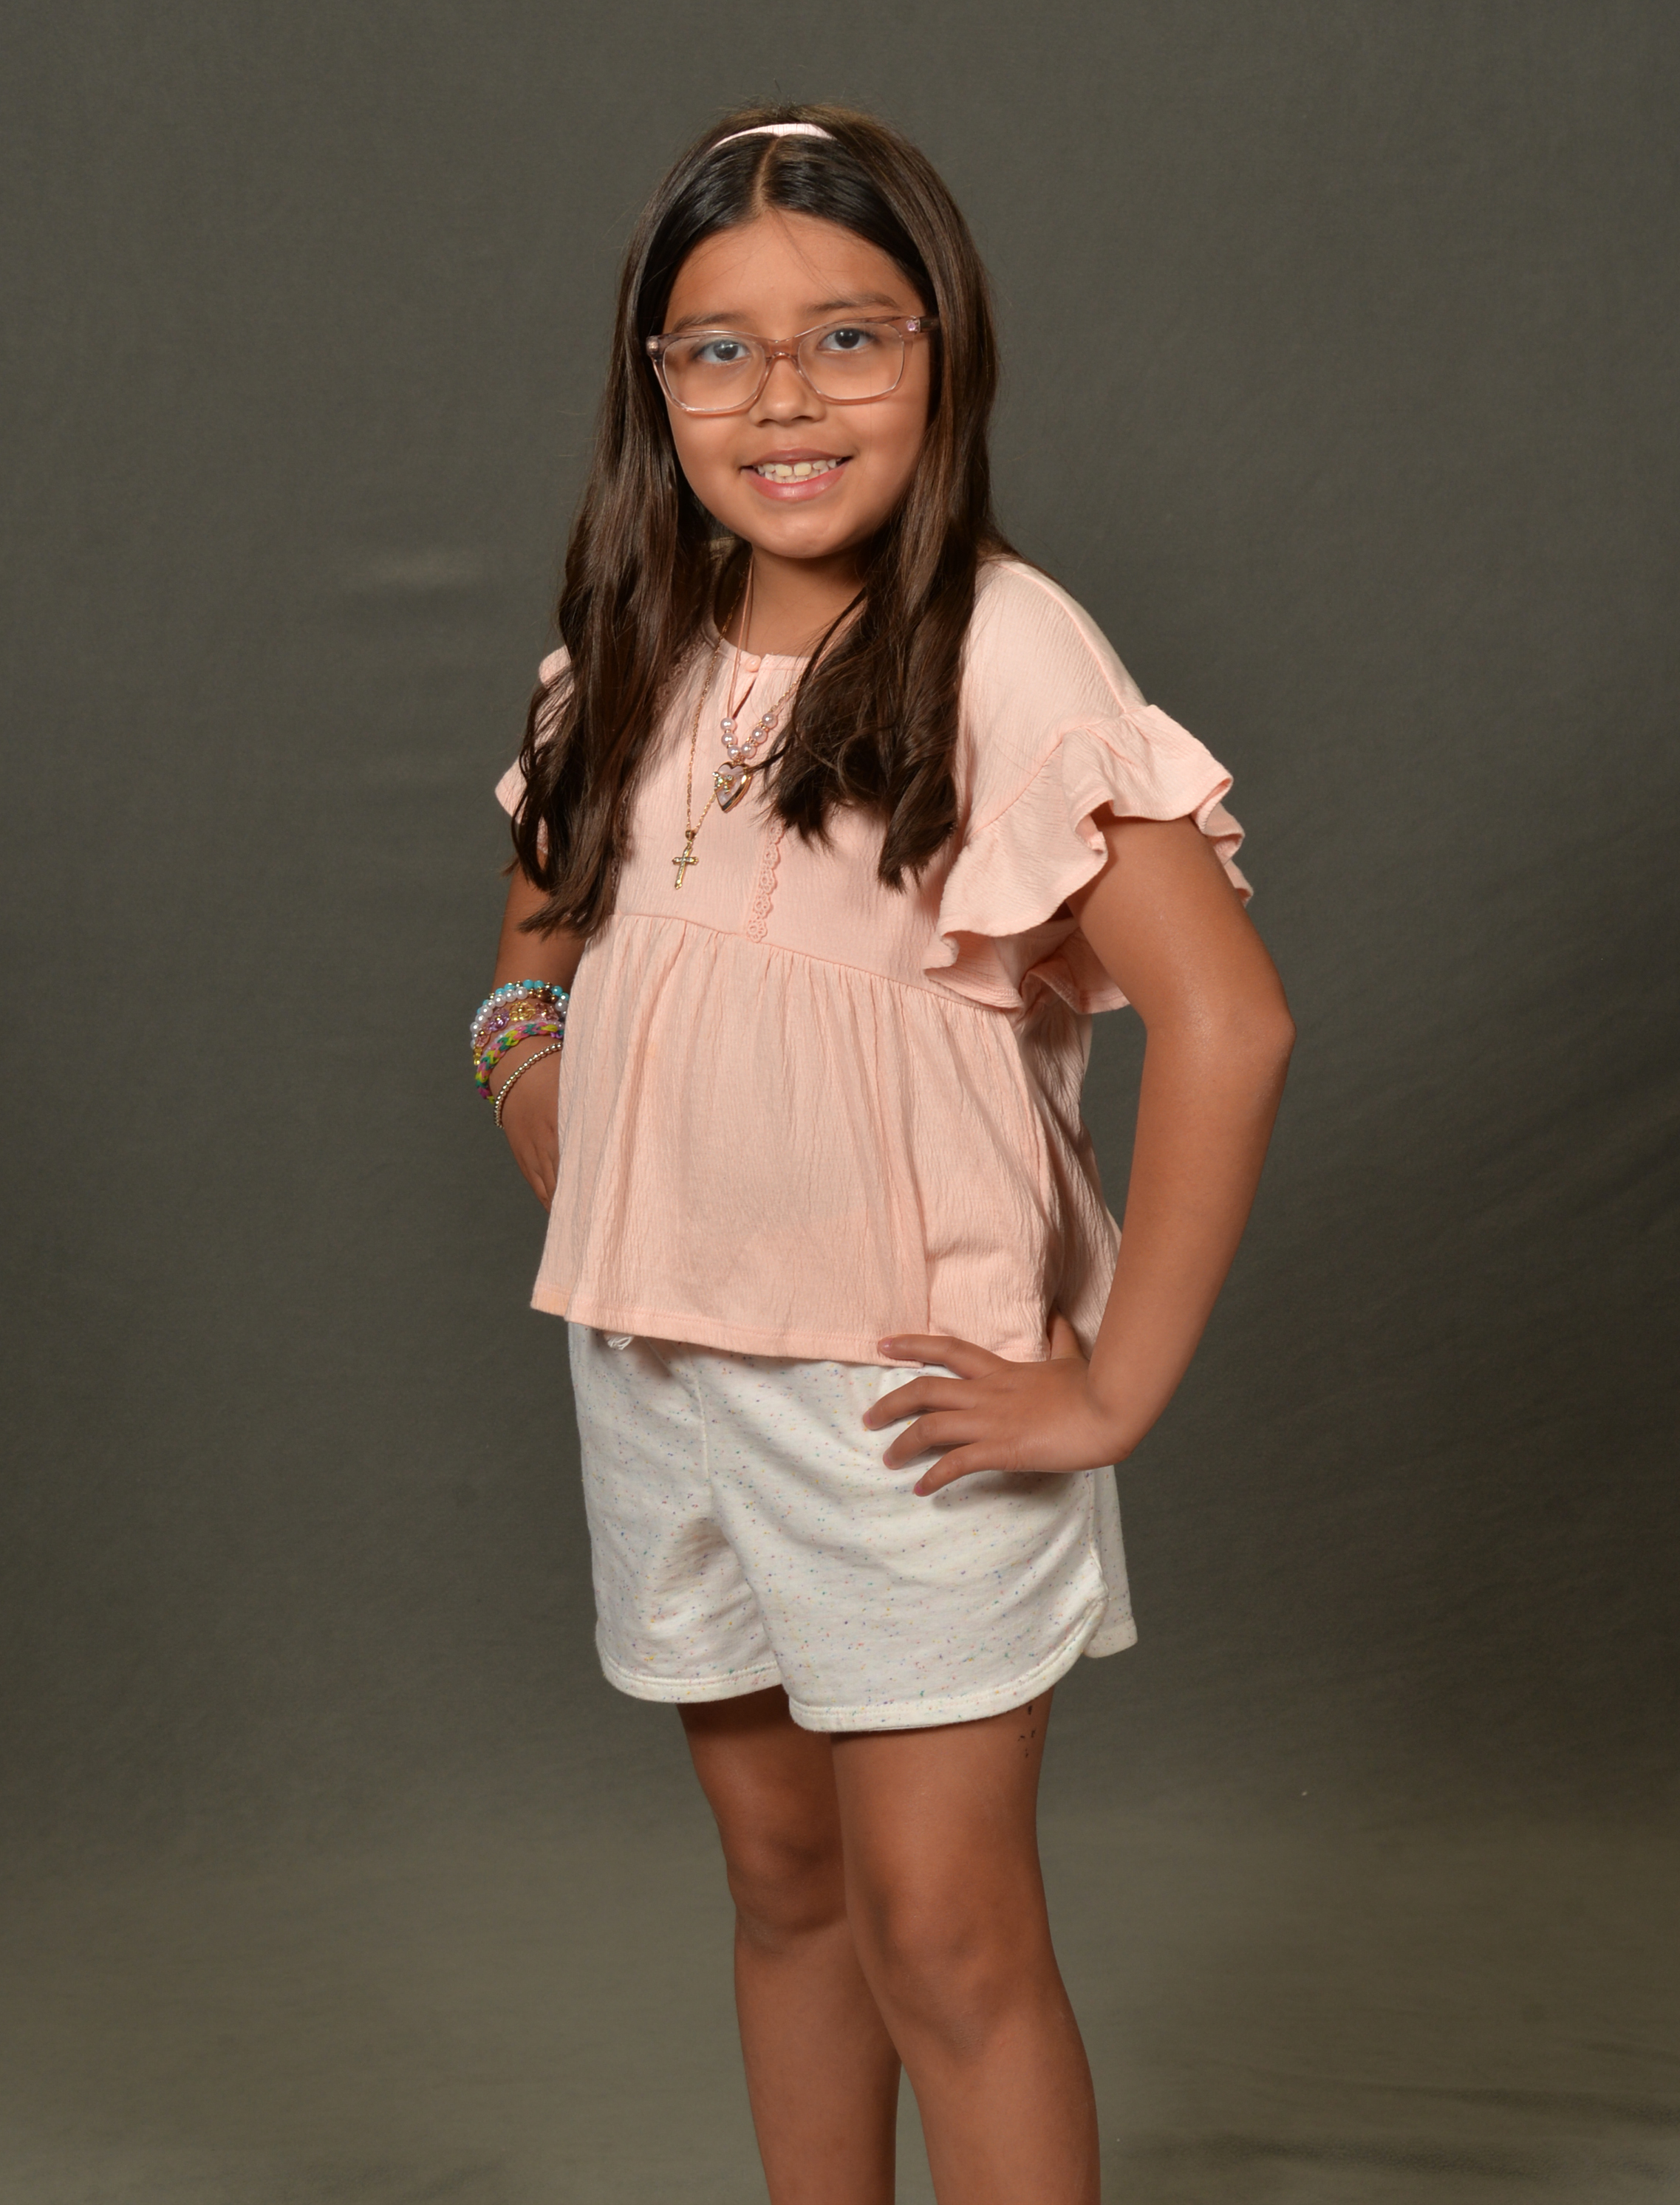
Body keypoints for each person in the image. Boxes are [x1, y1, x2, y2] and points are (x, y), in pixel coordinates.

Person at [474, 104, 1293, 2205]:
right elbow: (545, 927)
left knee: (943, 1932)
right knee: (784, 1883)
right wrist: (526, 1058)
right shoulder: (634, 640)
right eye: (720, 348)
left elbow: (1230, 1021)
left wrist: (1108, 1392)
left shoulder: (1005, 649)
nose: (785, 397)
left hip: (898, 1398)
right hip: (659, 1368)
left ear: (945, 352)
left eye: (848, 335)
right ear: (654, 383)